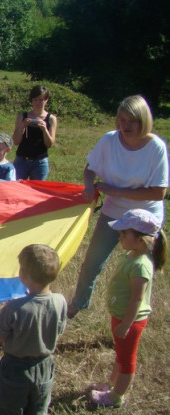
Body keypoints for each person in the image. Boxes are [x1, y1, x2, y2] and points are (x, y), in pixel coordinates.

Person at [68, 95, 168, 318]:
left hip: (145, 218)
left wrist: (115, 190)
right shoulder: (109, 140)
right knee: (92, 262)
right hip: (114, 212)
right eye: (121, 120)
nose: (125, 126)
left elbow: (159, 192)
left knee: (139, 270)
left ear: (144, 121)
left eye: (131, 121)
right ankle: (78, 304)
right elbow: (90, 168)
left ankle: (136, 315)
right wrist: (87, 184)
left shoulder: (155, 147)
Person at [89, 209, 167, 408]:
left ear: (141, 239)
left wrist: (126, 324)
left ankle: (116, 397)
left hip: (130, 320)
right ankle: (112, 384)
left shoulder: (141, 266)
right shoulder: (132, 254)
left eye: (125, 234)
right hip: (122, 317)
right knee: (121, 354)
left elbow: (136, 299)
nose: (120, 237)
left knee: (127, 360)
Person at [0, 244, 67, 415]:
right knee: (38, 412)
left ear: (23, 275)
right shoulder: (60, 302)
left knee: (10, 414)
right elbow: (60, 329)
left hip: (15, 369)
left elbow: (0, 336)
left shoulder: (14, 308)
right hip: (44, 366)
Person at [12, 85, 58, 180]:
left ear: (46, 100)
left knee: (36, 191)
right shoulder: (22, 116)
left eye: (41, 99)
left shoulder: (51, 119)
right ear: (31, 100)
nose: (38, 102)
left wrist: (44, 129)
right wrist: (22, 126)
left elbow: (49, 144)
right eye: (35, 99)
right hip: (21, 160)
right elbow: (16, 141)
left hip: (40, 162)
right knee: (17, 189)